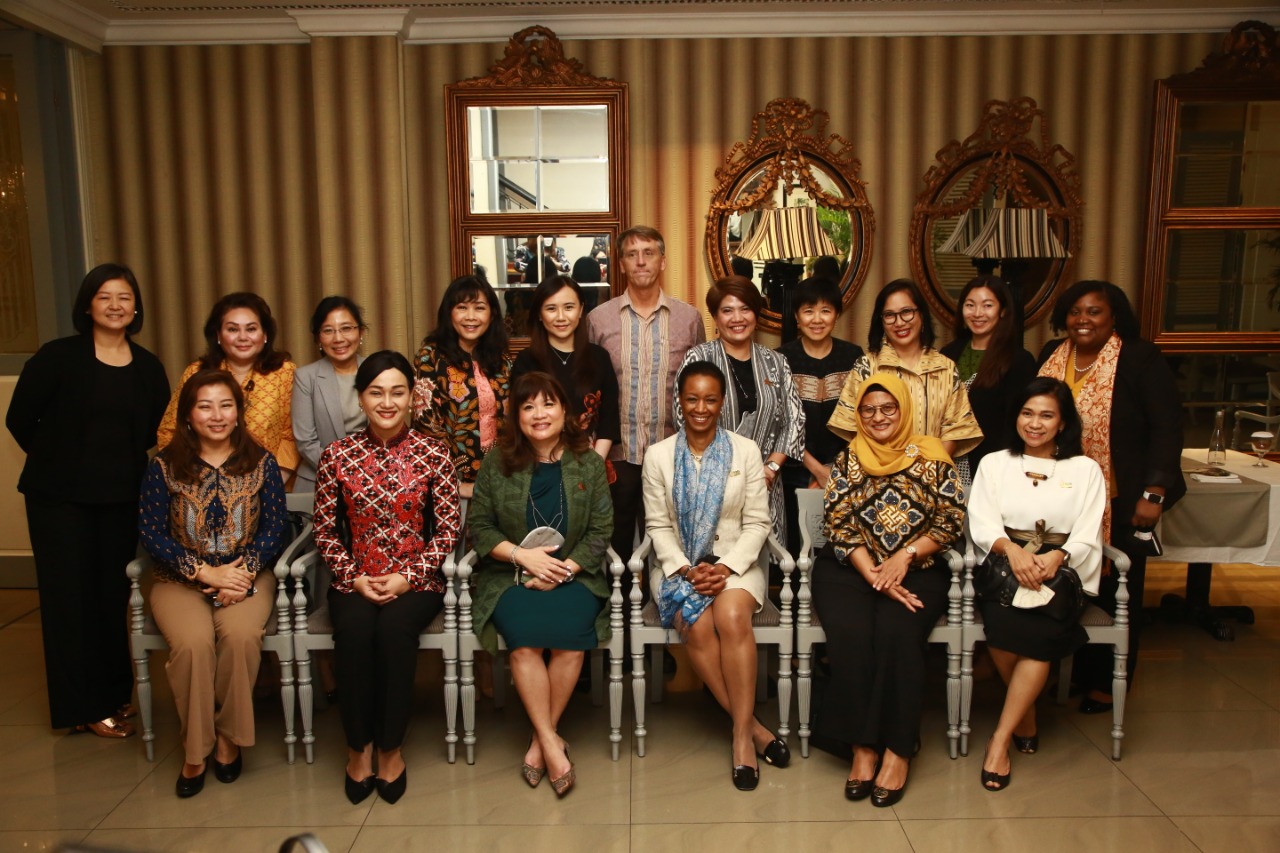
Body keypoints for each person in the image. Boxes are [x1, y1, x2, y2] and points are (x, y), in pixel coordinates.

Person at [6, 263, 170, 738]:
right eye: (105, 296)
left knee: (110, 598)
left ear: (136, 307)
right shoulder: (58, 358)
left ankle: (114, 695)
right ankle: (81, 707)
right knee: (68, 602)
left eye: (124, 297)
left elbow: (150, 434)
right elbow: (20, 419)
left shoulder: (147, 367)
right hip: (60, 501)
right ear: (87, 305)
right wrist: (59, 461)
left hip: (120, 501)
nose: (116, 305)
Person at [312, 351, 461, 805]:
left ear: (412, 397)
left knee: (395, 631)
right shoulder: (337, 455)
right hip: (354, 580)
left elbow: (450, 527)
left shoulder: (435, 453)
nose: (387, 401)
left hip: (416, 582)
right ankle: (359, 749)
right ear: (361, 397)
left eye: (397, 391)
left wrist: (407, 577)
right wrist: (354, 577)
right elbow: (324, 528)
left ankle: (391, 749)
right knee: (355, 632)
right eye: (376, 392)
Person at [812, 373, 965, 807]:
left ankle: (898, 751)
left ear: (904, 410)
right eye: (868, 410)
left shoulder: (933, 457)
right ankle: (862, 749)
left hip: (919, 566)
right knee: (853, 633)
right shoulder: (848, 459)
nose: (878, 417)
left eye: (888, 408)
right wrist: (873, 574)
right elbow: (838, 524)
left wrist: (905, 557)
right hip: (848, 566)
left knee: (899, 632)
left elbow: (950, 520)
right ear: (857, 415)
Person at [1036, 280, 1185, 713]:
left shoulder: (1139, 358)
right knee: (1069, 586)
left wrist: (1154, 492)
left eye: (1094, 311)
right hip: (1060, 497)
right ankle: (1074, 672)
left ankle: (1107, 681)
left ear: (1113, 316)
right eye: (1075, 311)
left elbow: (1166, 426)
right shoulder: (1051, 355)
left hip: (1121, 497)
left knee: (1116, 589)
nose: (1083, 320)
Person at [642, 362, 790, 792]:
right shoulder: (659, 455)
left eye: (710, 399)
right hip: (678, 566)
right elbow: (658, 526)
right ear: (680, 402)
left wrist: (725, 567)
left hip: (735, 564)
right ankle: (754, 730)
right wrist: (687, 569)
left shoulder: (745, 451)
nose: (700, 408)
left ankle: (741, 738)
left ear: (721, 403)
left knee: (730, 618)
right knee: (699, 624)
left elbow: (758, 524)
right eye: (692, 399)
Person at [138, 370, 287, 797]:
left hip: (246, 576)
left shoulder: (262, 462)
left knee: (240, 637)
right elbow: (151, 532)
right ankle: (195, 748)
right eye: (205, 406)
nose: (217, 415)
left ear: (239, 413)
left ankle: (228, 740)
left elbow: (275, 528)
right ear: (187, 415)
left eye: (226, 405)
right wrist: (203, 571)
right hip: (179, 579)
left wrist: (242, 572)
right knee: (192, 645)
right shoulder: (164, 466)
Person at [467, 372, 614, 798]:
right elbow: (479, 526)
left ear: (565, 410)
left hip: (575, 576)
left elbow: (602, 528)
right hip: (511, 577)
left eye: (548, 403)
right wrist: (522, 556)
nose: (538, 414)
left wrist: (565, 569)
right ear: (516, 415)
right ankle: (551, 741)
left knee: (571, 640)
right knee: (525, 642)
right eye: (527, 406)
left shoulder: (588, 461)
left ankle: (538, 740)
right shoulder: (498, 460)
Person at [967, 377, 1106, 791]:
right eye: (1028, 413)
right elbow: (982, 520)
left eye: (1047, 415)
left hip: (1060, 572)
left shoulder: (1084, 470)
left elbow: (1088, 528)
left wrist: (1055, 557)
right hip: (1004, 568)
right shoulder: (994, 462)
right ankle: (1026, 715)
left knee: (1041, 628)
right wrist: (1012, 552)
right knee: (1004, 627)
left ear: (1063, 423)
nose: (1035, 423)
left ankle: (999, 739)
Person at [588, 225, 706, 559]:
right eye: (631, 254)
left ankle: (665, 608)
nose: (640, 262)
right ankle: (620, 609)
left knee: (674, 544)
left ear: (662, 262)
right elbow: (591, 387)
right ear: (621, 264)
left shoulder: (689, 318)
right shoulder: (599, 319)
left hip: (674, 452)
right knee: (616, 545)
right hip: (617, 456)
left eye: (649, 253)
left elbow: (699, 382)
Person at [676, 275, 804, 543]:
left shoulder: (777, 363)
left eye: (745, 308)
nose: (738, 318)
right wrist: (731, 473)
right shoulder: (699, 358)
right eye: (727, 310)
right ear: (715, 317)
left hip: (767, 484)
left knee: (765, 568)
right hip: (711, 483)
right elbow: (683, 417)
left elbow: (794, 420)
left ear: (756, 314)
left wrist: (768, 469)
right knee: (715, 564)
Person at [828, 279, 982, 460]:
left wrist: (925, 470)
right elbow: (852, 427)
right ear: (881, 321)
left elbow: (955, 430)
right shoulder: (866, 367)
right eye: (889, 315)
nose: (899, 322)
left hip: (932, 475)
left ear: (922, 315)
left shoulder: (946, 368)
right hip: (878, 475)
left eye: (906, 312)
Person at [157, 292, 299, 484]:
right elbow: (170, 431)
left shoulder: (285, 373)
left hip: (271, 483)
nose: (242, 337)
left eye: (251, 329)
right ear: (218, 335)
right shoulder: (196, 372)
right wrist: (194, 482)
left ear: (265, 335)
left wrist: (269, 484)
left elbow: (292, 436)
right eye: (232, 329)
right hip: (200, 485)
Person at [776, 275, 864, 554]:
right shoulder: (781, 359)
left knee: (842, 548)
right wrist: (816, 469)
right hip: (794, 471)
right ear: (797, 316)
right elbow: (780, 423)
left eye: (825, 310)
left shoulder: (853, 357)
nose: (817, 319)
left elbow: (865, 421)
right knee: (796, 550)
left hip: (846, 471)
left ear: (837, 314)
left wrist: (833, 471)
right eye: (809, 310)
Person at [412, 274, 514, 499]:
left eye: (479, 308)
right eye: (461, 307)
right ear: (449, 313)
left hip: (500, 479)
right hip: (449, 482)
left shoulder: (503, 362)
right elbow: (426, 423)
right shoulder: (431, 357)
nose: (471, 317)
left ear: (492, 313)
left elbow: (511, 420)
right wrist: (453, 482)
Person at [511, 275, 620, 468]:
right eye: (551, 309)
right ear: (539, 314)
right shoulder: (526, 361)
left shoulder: (599, 357)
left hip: (590, 463)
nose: (561, 317)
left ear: (580, 310)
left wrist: (593, 465)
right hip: (537, 465)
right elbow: (519, 419)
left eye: (569, 307)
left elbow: (609, 421)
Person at [940, 276, 1037, 488]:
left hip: (992, 468)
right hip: (944, 464)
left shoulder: (1018, 361)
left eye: (987, 305)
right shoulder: (948, 354)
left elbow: (1018, 423)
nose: (977, 313)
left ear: (1002, 311)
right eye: (970, 305)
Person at [292, 296, 367, 493]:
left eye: (346, 328)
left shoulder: (377, 371)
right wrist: (345, 473)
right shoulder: (305, 377)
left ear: (360, 332)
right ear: (318, 338)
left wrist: (369, 474)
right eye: (328, 330)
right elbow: (306, 442)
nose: (338, 338)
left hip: (373, 481)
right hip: (318, 482)